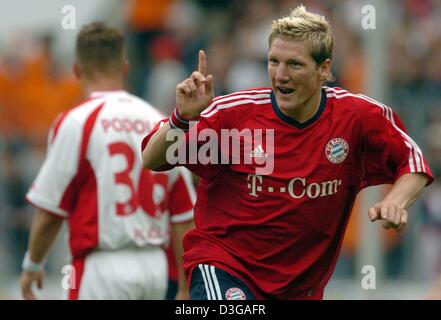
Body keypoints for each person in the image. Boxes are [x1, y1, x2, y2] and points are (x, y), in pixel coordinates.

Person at [142, 6, 433, 300]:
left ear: (324, 69)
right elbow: (152, 159)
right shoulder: (233, 115)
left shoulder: (356, 118)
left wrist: (396, 201)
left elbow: (413, 163)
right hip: (224, 266)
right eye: (273, 62)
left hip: (299, 288)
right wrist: (181, 117)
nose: (280, 75)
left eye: (294, 64)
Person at [20, 22, 195, 300]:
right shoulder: (158, 121)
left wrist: (33, 264)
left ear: (77, 70)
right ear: (124, 67)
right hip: (154, 268)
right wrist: (186, 287)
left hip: (102, 265)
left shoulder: (77, 121)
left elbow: (49, 210)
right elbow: (183, 215)